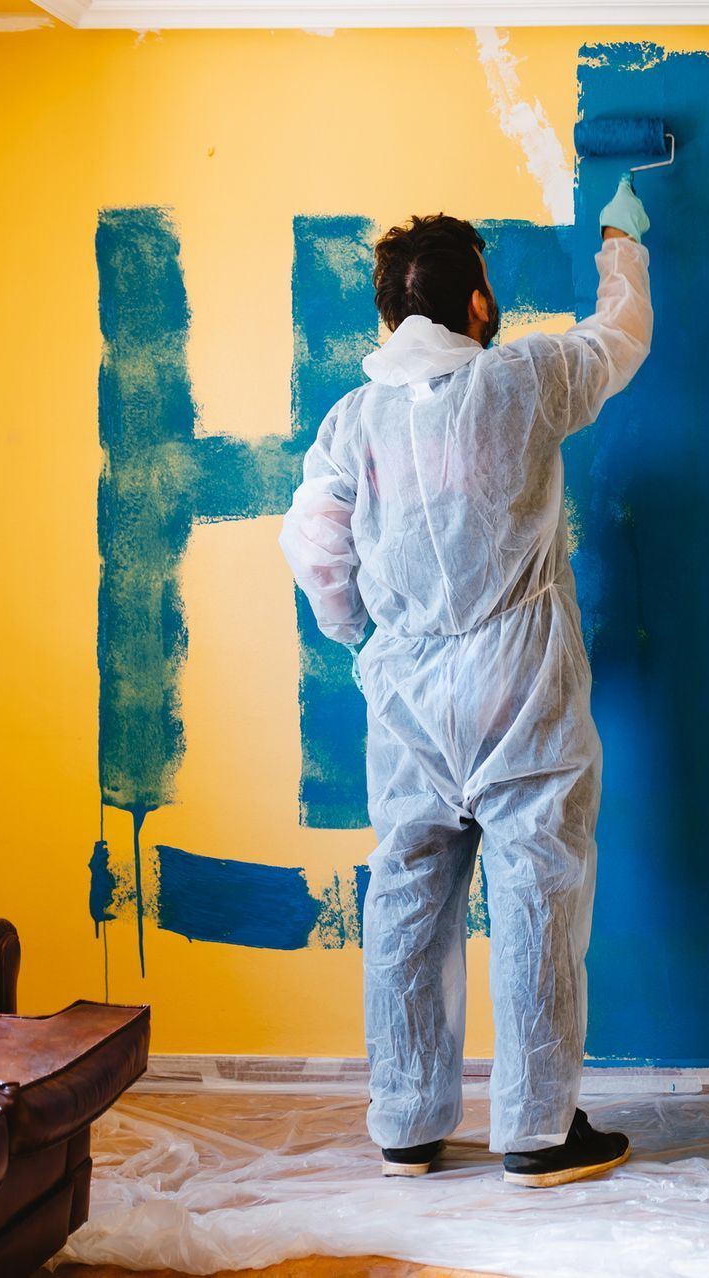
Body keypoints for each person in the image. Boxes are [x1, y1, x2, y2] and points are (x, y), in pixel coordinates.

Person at [280, 178, 653, 1184]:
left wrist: (364, 640)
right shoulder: (525, 380)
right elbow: (620, 335)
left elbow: (314, 544)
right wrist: (624, 242)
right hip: (519, 685)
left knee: (408, 891)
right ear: (476, 303)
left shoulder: (354, 419)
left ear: (391, 313)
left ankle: (406, 1122)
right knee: (535, 891)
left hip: (406, 694)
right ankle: (536, 1132)